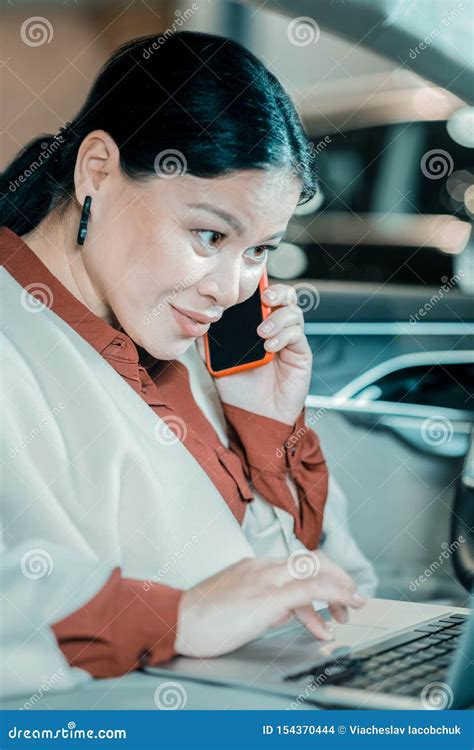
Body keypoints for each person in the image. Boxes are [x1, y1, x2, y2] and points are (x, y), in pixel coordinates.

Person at [0, 30, 365, 684]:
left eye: (260, 251)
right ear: (98, 172)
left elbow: (296, 587)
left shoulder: (185, 340)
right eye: (209, 234)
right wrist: (180, 617)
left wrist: (267, 432)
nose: (230, 289)